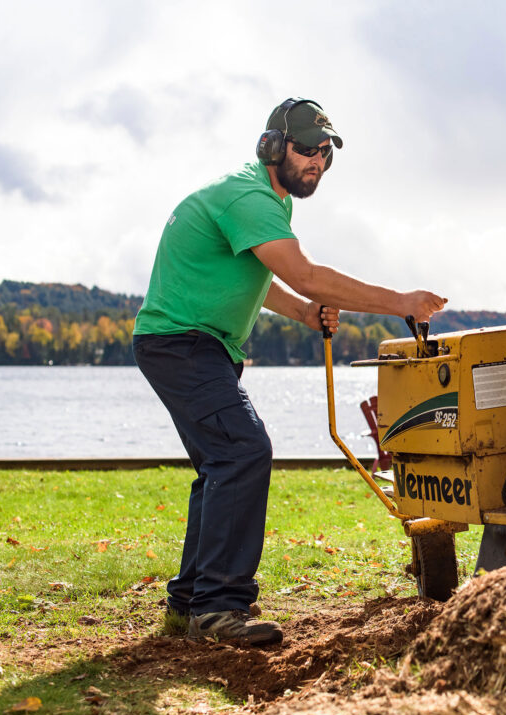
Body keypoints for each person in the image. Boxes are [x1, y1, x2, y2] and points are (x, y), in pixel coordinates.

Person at [132, 97, 446, 646]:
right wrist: (401, 301)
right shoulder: (250, 197)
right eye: (306, 150)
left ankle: (190, 601)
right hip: (182, 344)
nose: (317, 162)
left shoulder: (268, 201)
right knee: (242, 451)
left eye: (326, 153)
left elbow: (264, 278)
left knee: (220, 464)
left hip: (196, 346)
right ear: (273, 147)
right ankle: (218, 609)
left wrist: (302, 313)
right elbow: (307, 275)